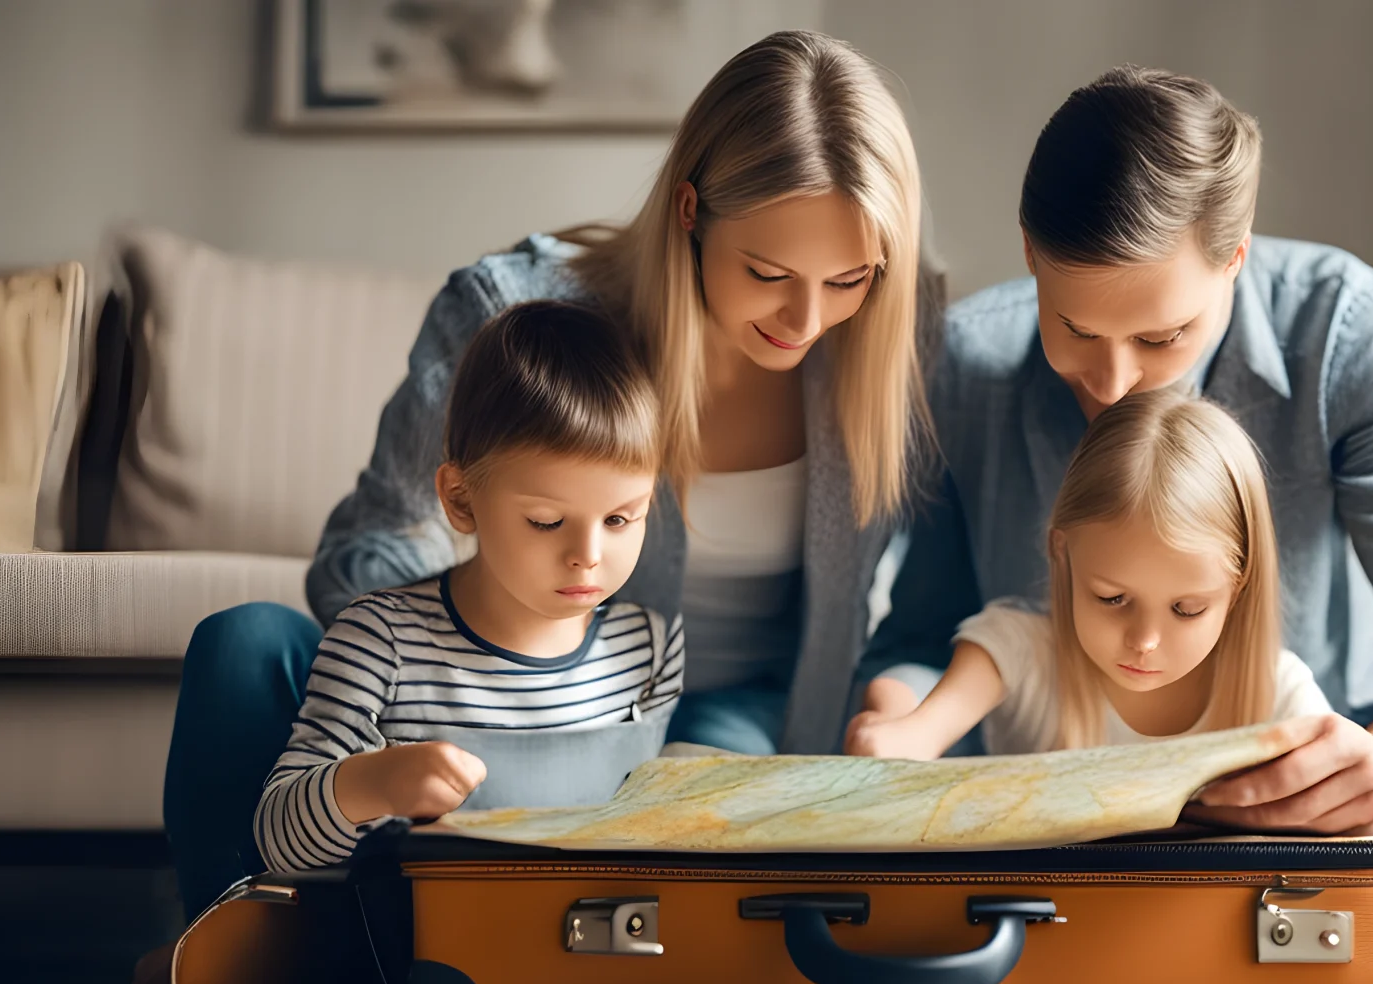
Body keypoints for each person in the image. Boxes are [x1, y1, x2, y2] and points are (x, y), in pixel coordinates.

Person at [861, 65, 1373, 984]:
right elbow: (926, 633)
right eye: (1074, 329)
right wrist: (897, 720)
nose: (1113, 384)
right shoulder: (963, 365)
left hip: (1346, 735)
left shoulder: (1350, 332)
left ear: (1234, 256)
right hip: (1064, 773)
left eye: (1162, 338)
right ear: (1032, 253)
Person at [163, 29, 932, 920]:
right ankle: (222, 949)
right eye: (768, 272)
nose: (808, 318)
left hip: (724, 727)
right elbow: (364, 557)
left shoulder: (888, 346)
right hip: (480, 698)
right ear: (690, 210)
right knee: (248, 643)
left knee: (700, 766)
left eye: (849, 278)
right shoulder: (522, 319)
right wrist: (504, 675)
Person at [254, 301, 684, 873]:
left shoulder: (651, 648)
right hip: (420, 951)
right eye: (546, 522)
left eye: (620, 519)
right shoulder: (381, 642)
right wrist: (372, 782)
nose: (588, 556)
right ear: (461, 499)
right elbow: (278, 844)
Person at [846, 388, 1332, 762]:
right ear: (1062, 552)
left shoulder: (1280, 690)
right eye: (1112, 599)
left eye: (1187, 609)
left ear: (1239, 586)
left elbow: (1363, 832)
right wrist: (896, 720)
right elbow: (922, 730)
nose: (1144, 640)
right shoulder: (1016, 650)